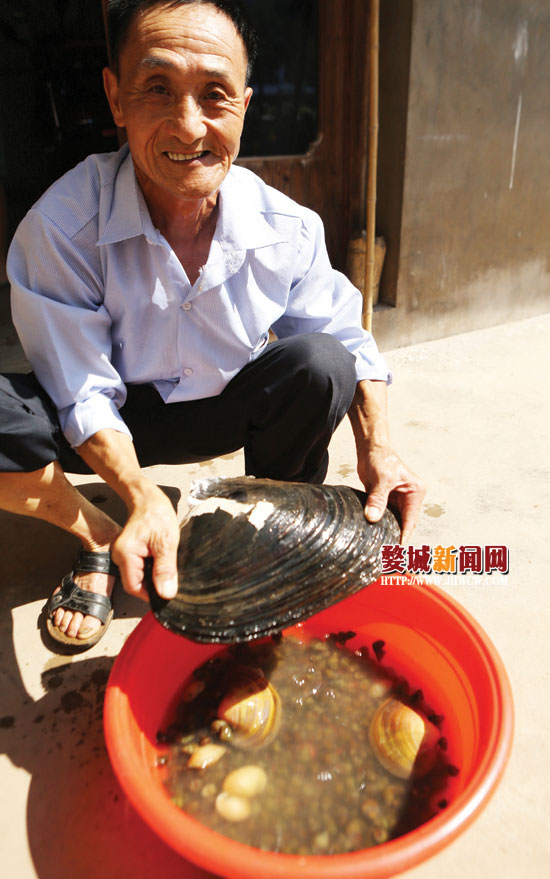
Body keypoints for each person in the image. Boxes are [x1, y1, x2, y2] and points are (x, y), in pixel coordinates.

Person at [0, 0, 425, 651]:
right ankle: (96, 535)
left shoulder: (286, 227)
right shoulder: (61, 226)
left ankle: (272, 527)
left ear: (245, 106)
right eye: (158, 88)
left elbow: (348, 340)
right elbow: (82, 389)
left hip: (222, 404)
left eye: (215, 95)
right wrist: (138, 492)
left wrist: (378, 446)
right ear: (116, 98)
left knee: (320, 364)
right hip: (104, 419)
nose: (189, 126)